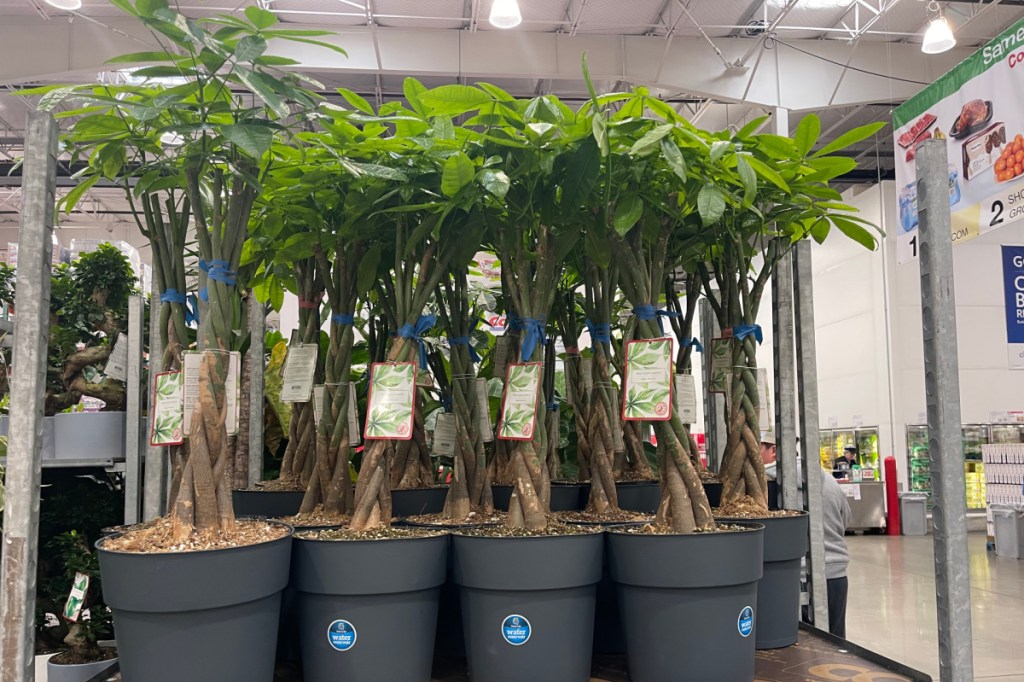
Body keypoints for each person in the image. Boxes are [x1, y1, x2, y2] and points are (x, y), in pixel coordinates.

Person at [821, 468, 852, 637]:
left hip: (797, 575)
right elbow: (846, 518)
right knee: (836, 643)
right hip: (836, 574)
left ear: (773, 450)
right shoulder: (830, 481)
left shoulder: (769, 482)